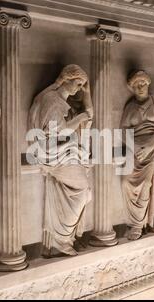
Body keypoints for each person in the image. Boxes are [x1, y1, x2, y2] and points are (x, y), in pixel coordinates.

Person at [28, 64, 93, 257]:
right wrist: (80, 117)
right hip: (54, 154)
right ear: (66, 78)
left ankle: (65, 236)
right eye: (78, 83)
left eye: (82, 85)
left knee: (85, 193)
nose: (79, 88)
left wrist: (87, 94)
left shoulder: (61, 101)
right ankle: (61, 239)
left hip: (65, 151)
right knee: (83, 193)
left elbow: (89, 115)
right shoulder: (52, 100)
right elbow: (61, 130)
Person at [120, 71, 154, 240]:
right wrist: (136, 146)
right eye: (136, 85)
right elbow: (123, 130)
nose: (140, 87)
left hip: (150, 149)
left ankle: (138, 225)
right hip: (133, 149)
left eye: (143, 84)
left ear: (148, 84)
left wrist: (148, 148)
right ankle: (131, 220)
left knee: (145, 184)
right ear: (132, 88)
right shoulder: (130, 106)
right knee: (126, 183)